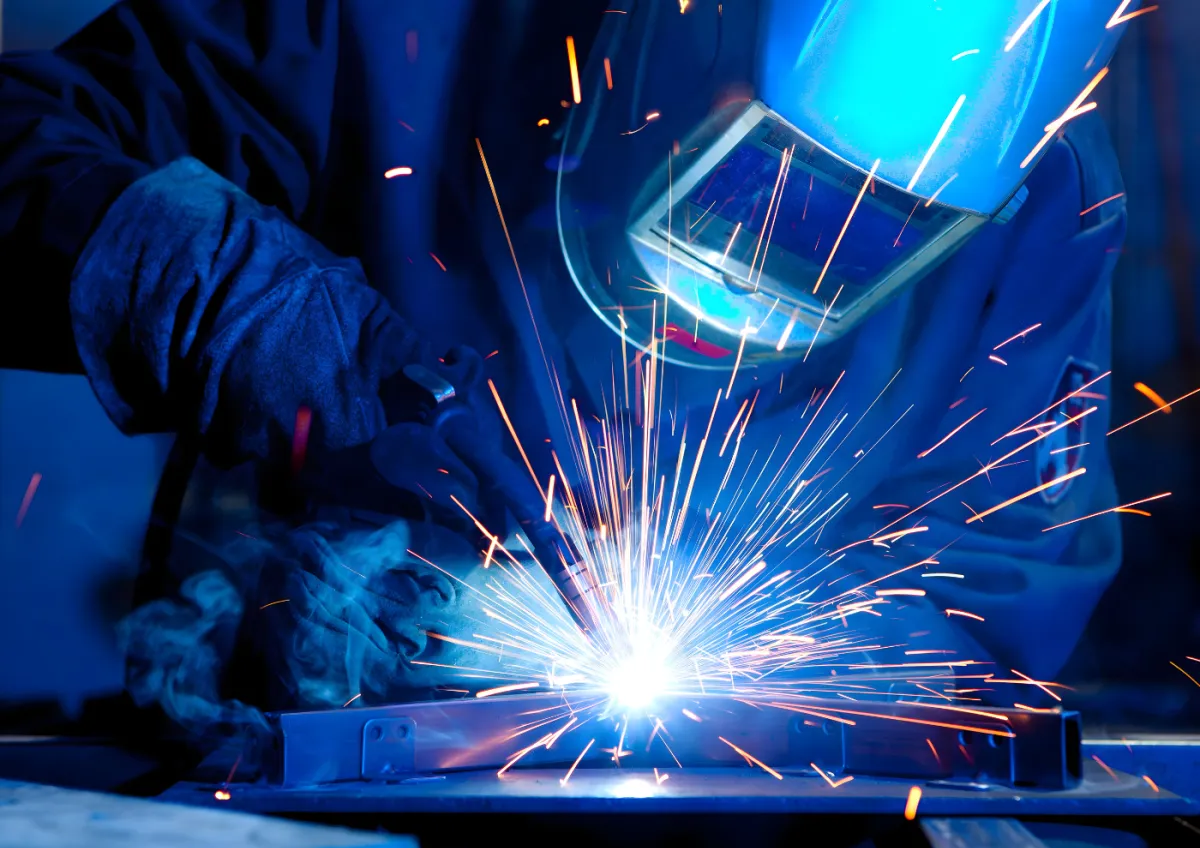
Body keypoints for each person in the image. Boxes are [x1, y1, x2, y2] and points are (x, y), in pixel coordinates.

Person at [0, 0, 1134, 732]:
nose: (757, 274)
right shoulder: (399, 24)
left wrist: (714, 657)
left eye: (870, 233)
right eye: (754, 184)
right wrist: (223, 285)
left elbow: (982, 638)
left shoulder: (1040, 206)